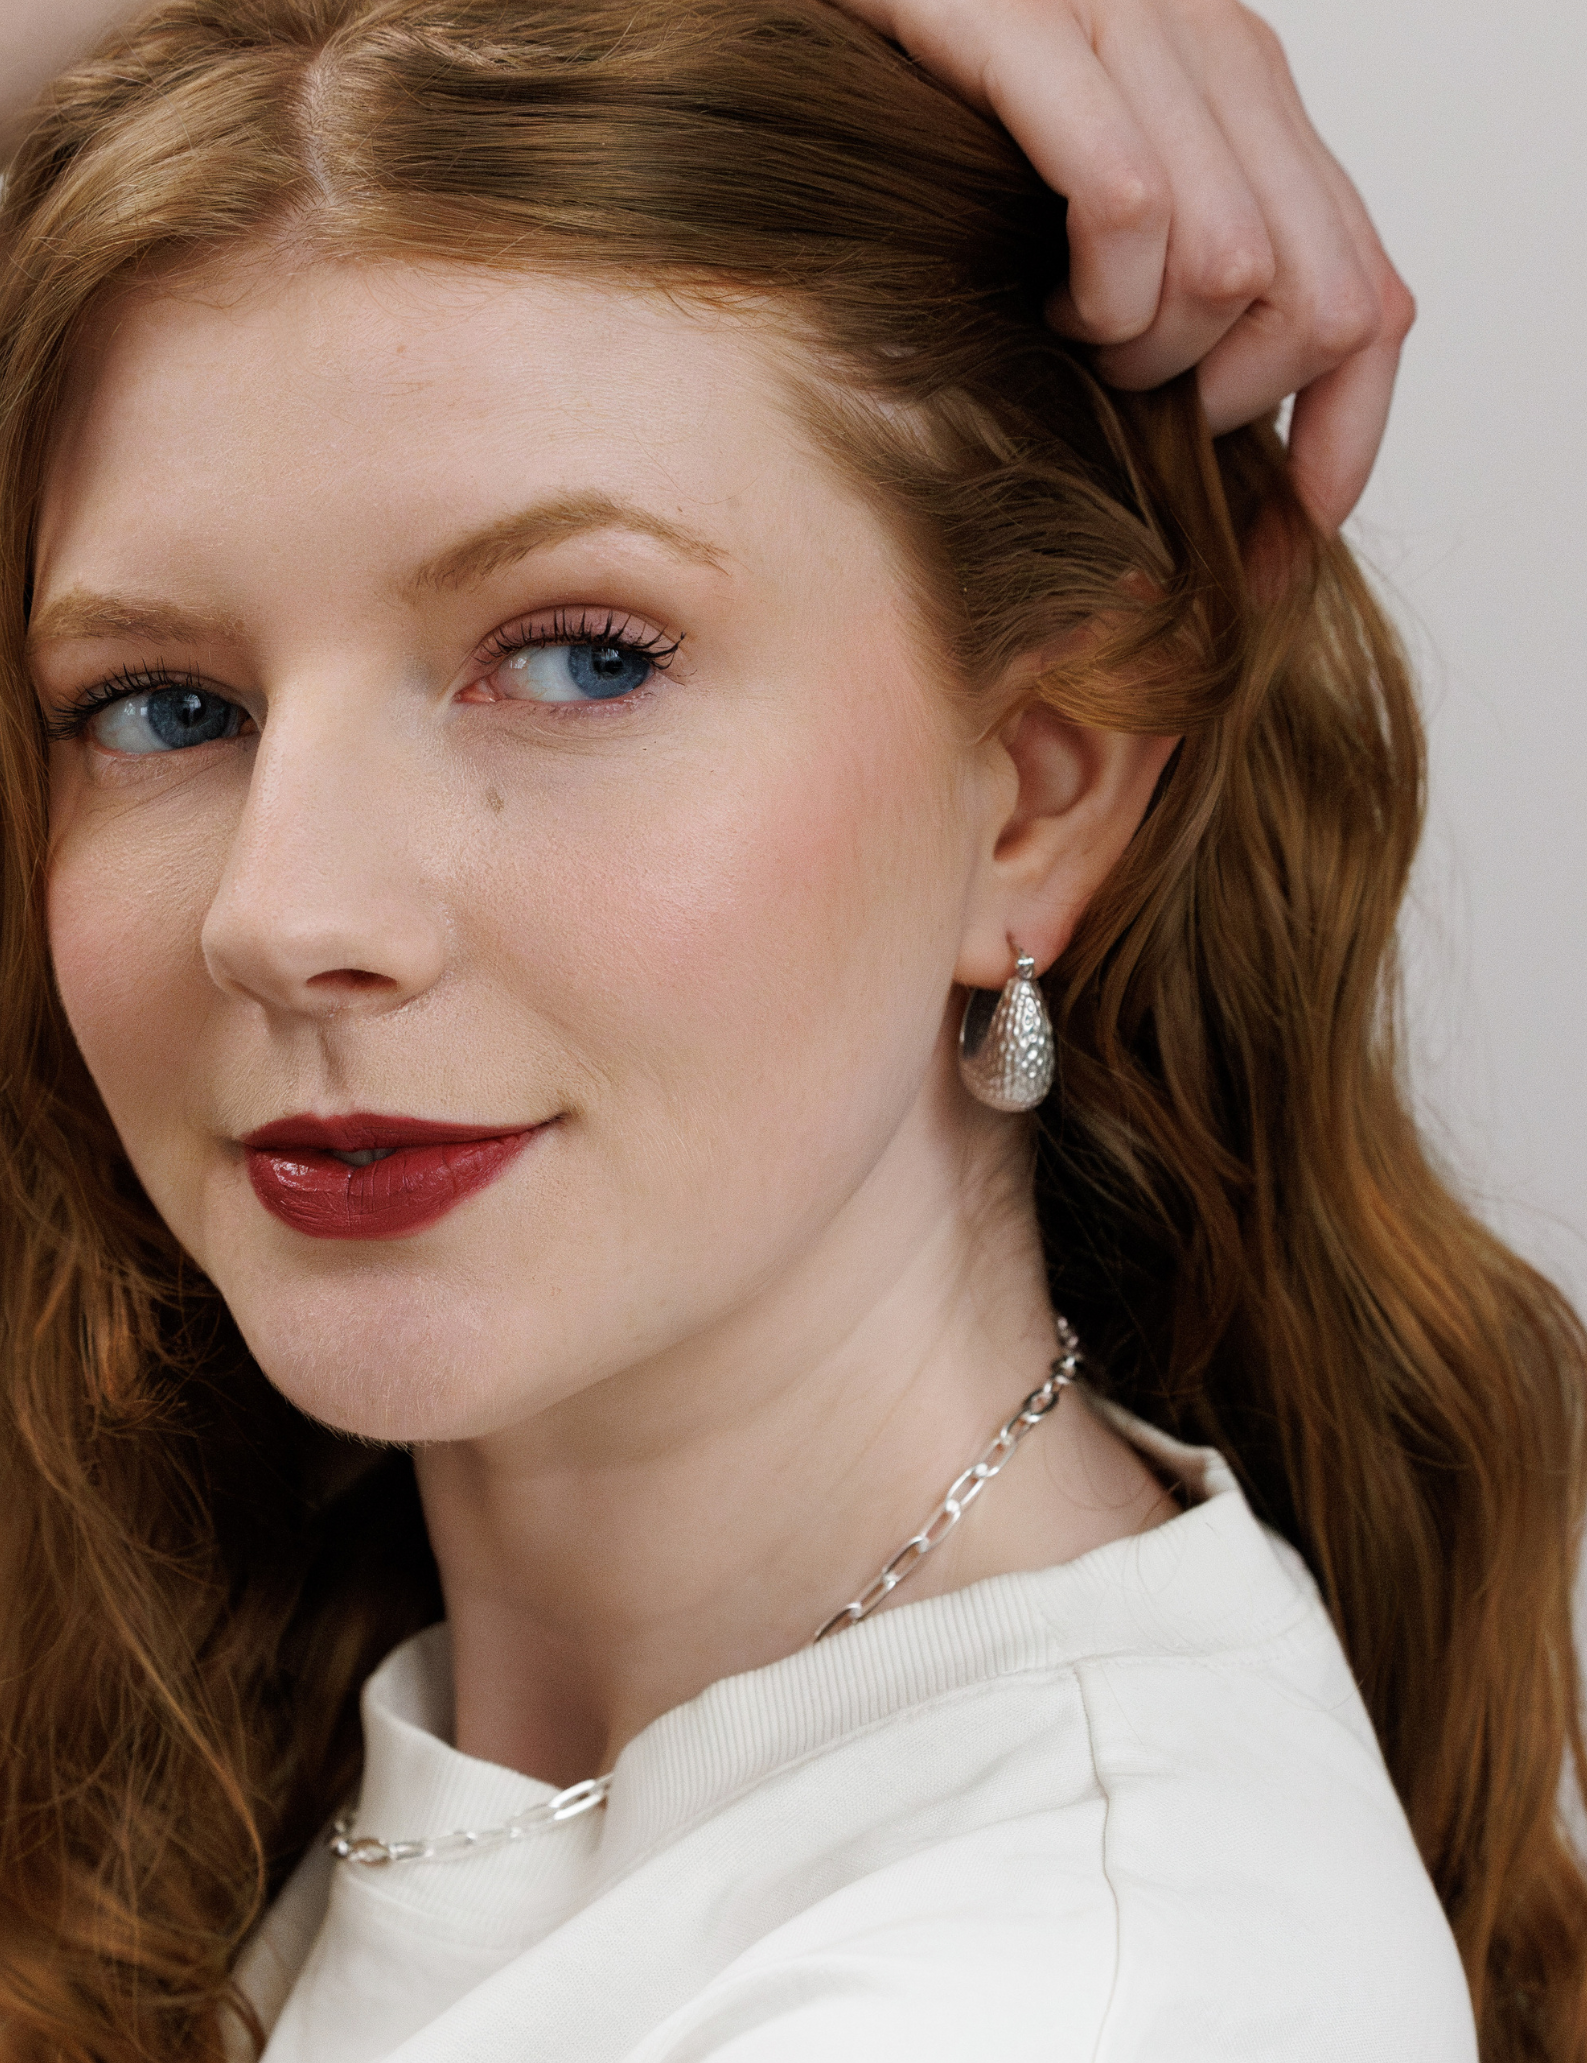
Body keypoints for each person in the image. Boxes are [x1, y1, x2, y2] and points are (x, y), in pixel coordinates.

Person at [0, 2, 1581, 2061]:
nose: (285, 915)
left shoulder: (1068, 1999)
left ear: (1030, 795)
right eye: (161, 705)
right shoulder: (285, 1716)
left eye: (576, 658)